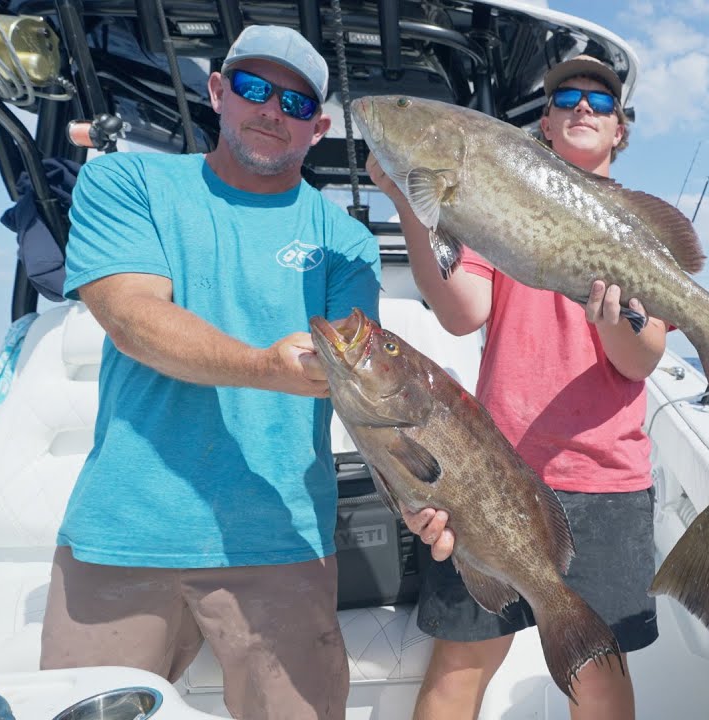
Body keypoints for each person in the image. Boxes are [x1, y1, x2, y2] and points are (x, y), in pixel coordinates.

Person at [40, 25, 381, 720]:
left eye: (294, 102)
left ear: (317, 127)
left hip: (283, 541)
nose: (271, 110)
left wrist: (433, 495)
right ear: (218, 93)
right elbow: (131, 315)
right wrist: (262, 366)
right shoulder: (125, 179)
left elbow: (370, 383)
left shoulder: (346, 240)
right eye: (255, 88)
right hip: (125, 532)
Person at [366, 55, 661, 720]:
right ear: (546, 125)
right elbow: (460, 311)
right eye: (567, 99)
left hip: (606, 477)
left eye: (601, 101)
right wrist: (408, 201)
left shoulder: (641, 222)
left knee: (597, 668)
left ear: (621, 131)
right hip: (494, 471)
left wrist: (620, 320)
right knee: (460, 659)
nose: (583, 107)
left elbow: (642, 360)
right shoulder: (496, 202)